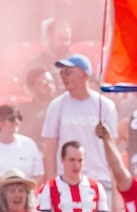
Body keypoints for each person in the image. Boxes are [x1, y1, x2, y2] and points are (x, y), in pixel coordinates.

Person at [41, 54, 119, 190]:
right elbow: (49, 151)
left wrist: (116, 190)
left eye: (68, 72)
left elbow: (112, 149)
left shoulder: (105, 106)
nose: (63, 76)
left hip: (99, 181)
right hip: (65, 182)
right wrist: (51, 187)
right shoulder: (56, 106)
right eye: (62, 72)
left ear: (84, 74)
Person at [0, 105, 46, 186]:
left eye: (19, 118)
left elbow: (39, 176)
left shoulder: (29, 144)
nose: (17, 122)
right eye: (12, 119)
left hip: (23, 193)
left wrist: (22, 186)